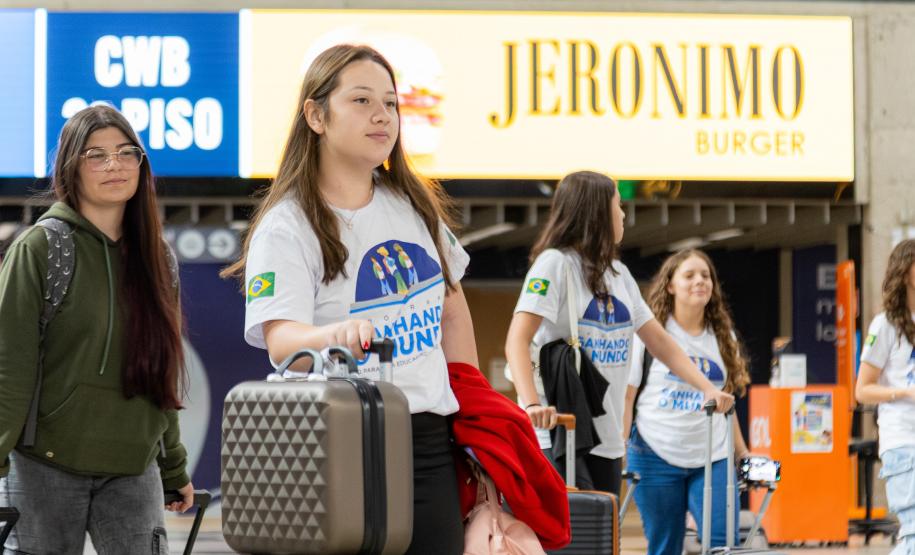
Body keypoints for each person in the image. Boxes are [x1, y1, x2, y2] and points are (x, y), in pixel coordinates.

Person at [222, 44, 477, 555]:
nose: (382, 115)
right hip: (340, 445)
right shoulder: (287, 225)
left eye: (390, 102)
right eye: (361, 100)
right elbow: (281, 343)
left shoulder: (413, 204)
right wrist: (334, 336)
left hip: (430, 442)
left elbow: (453, 310)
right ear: (315, 115)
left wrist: (475, 420)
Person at [0, 105, 194, 554]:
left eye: (128, 153)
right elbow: (9, 371)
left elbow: (159, 373)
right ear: (72, 167)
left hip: (134, 469)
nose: (115, 165)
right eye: (96, 155)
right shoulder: (41, 248)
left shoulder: (158, 260)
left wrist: (173, 468)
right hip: (44, 466)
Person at [504, 171, 733, 497]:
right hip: (560, 430)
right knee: (574, 538)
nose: (624, 214)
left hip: (606, 434)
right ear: (596, 212)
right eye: (618, 205)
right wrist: (530, 406)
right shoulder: (554, 265)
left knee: (604, 537)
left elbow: (660, 341)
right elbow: (517, 339)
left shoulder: (619, 274)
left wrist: (707, 388)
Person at [623, 249, 750, 554]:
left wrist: (743, 453)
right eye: (689, 275)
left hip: (712, 454)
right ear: (670, 285)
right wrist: (620, 450)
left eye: (705, 276)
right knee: (664, 545)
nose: (699, 282)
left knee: (724, 544)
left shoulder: (723, 337)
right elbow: (626, 398)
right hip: (654, 452)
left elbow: (726, 403)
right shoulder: (648, 334)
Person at [856, 239, 915, 554]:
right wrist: (905, 392)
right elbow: (862, 389)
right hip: (904, 443)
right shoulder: (886, 325)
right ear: (905, 272)